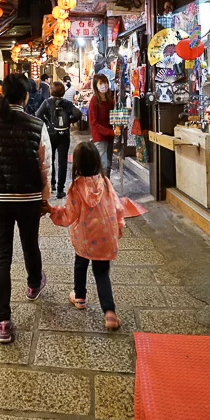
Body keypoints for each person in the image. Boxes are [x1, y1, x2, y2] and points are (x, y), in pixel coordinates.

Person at [0, 73, 51, 344]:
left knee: (2, 256)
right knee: (30, 243)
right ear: (27, 96)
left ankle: (3, 321)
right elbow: (46, 165)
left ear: (3, 95)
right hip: (28, 198)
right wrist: (44, 195)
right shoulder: (37, 124)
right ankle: (32, 285)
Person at [43, 141, 124, 330]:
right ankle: (110, 313)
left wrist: (52, 210)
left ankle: (79, 297)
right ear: (97, 160)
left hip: (85, 238)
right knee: (102, 273)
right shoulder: (105, 182)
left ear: (76, 164)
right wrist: (119, 227)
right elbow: (117, 207)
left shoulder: (76, 187)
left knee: (80, 264)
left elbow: (69, 215)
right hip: (105, 237)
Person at [36, 80, 81, 199]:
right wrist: (69, 121)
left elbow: (37, 115)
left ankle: (52, 184)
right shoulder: (67, 103)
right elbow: (78, 114)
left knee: (51, 159)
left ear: (52, 91)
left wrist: (48, 123)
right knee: (63, 162)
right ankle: (61, 190)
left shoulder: (47, 102)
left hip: (51, 134)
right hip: (64, 135)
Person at [89, 74, 115, 178]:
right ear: (96, 85)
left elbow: (113, 115)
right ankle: (100, 190)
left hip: (110, 136)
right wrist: (110, 132)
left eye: (105, 82)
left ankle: (106, 188)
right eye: (101, 83)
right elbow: (93, 123)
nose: (104, 85)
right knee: (103, 165)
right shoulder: (94, 100)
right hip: (99, 137)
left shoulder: (109, 99)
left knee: (108, 166)